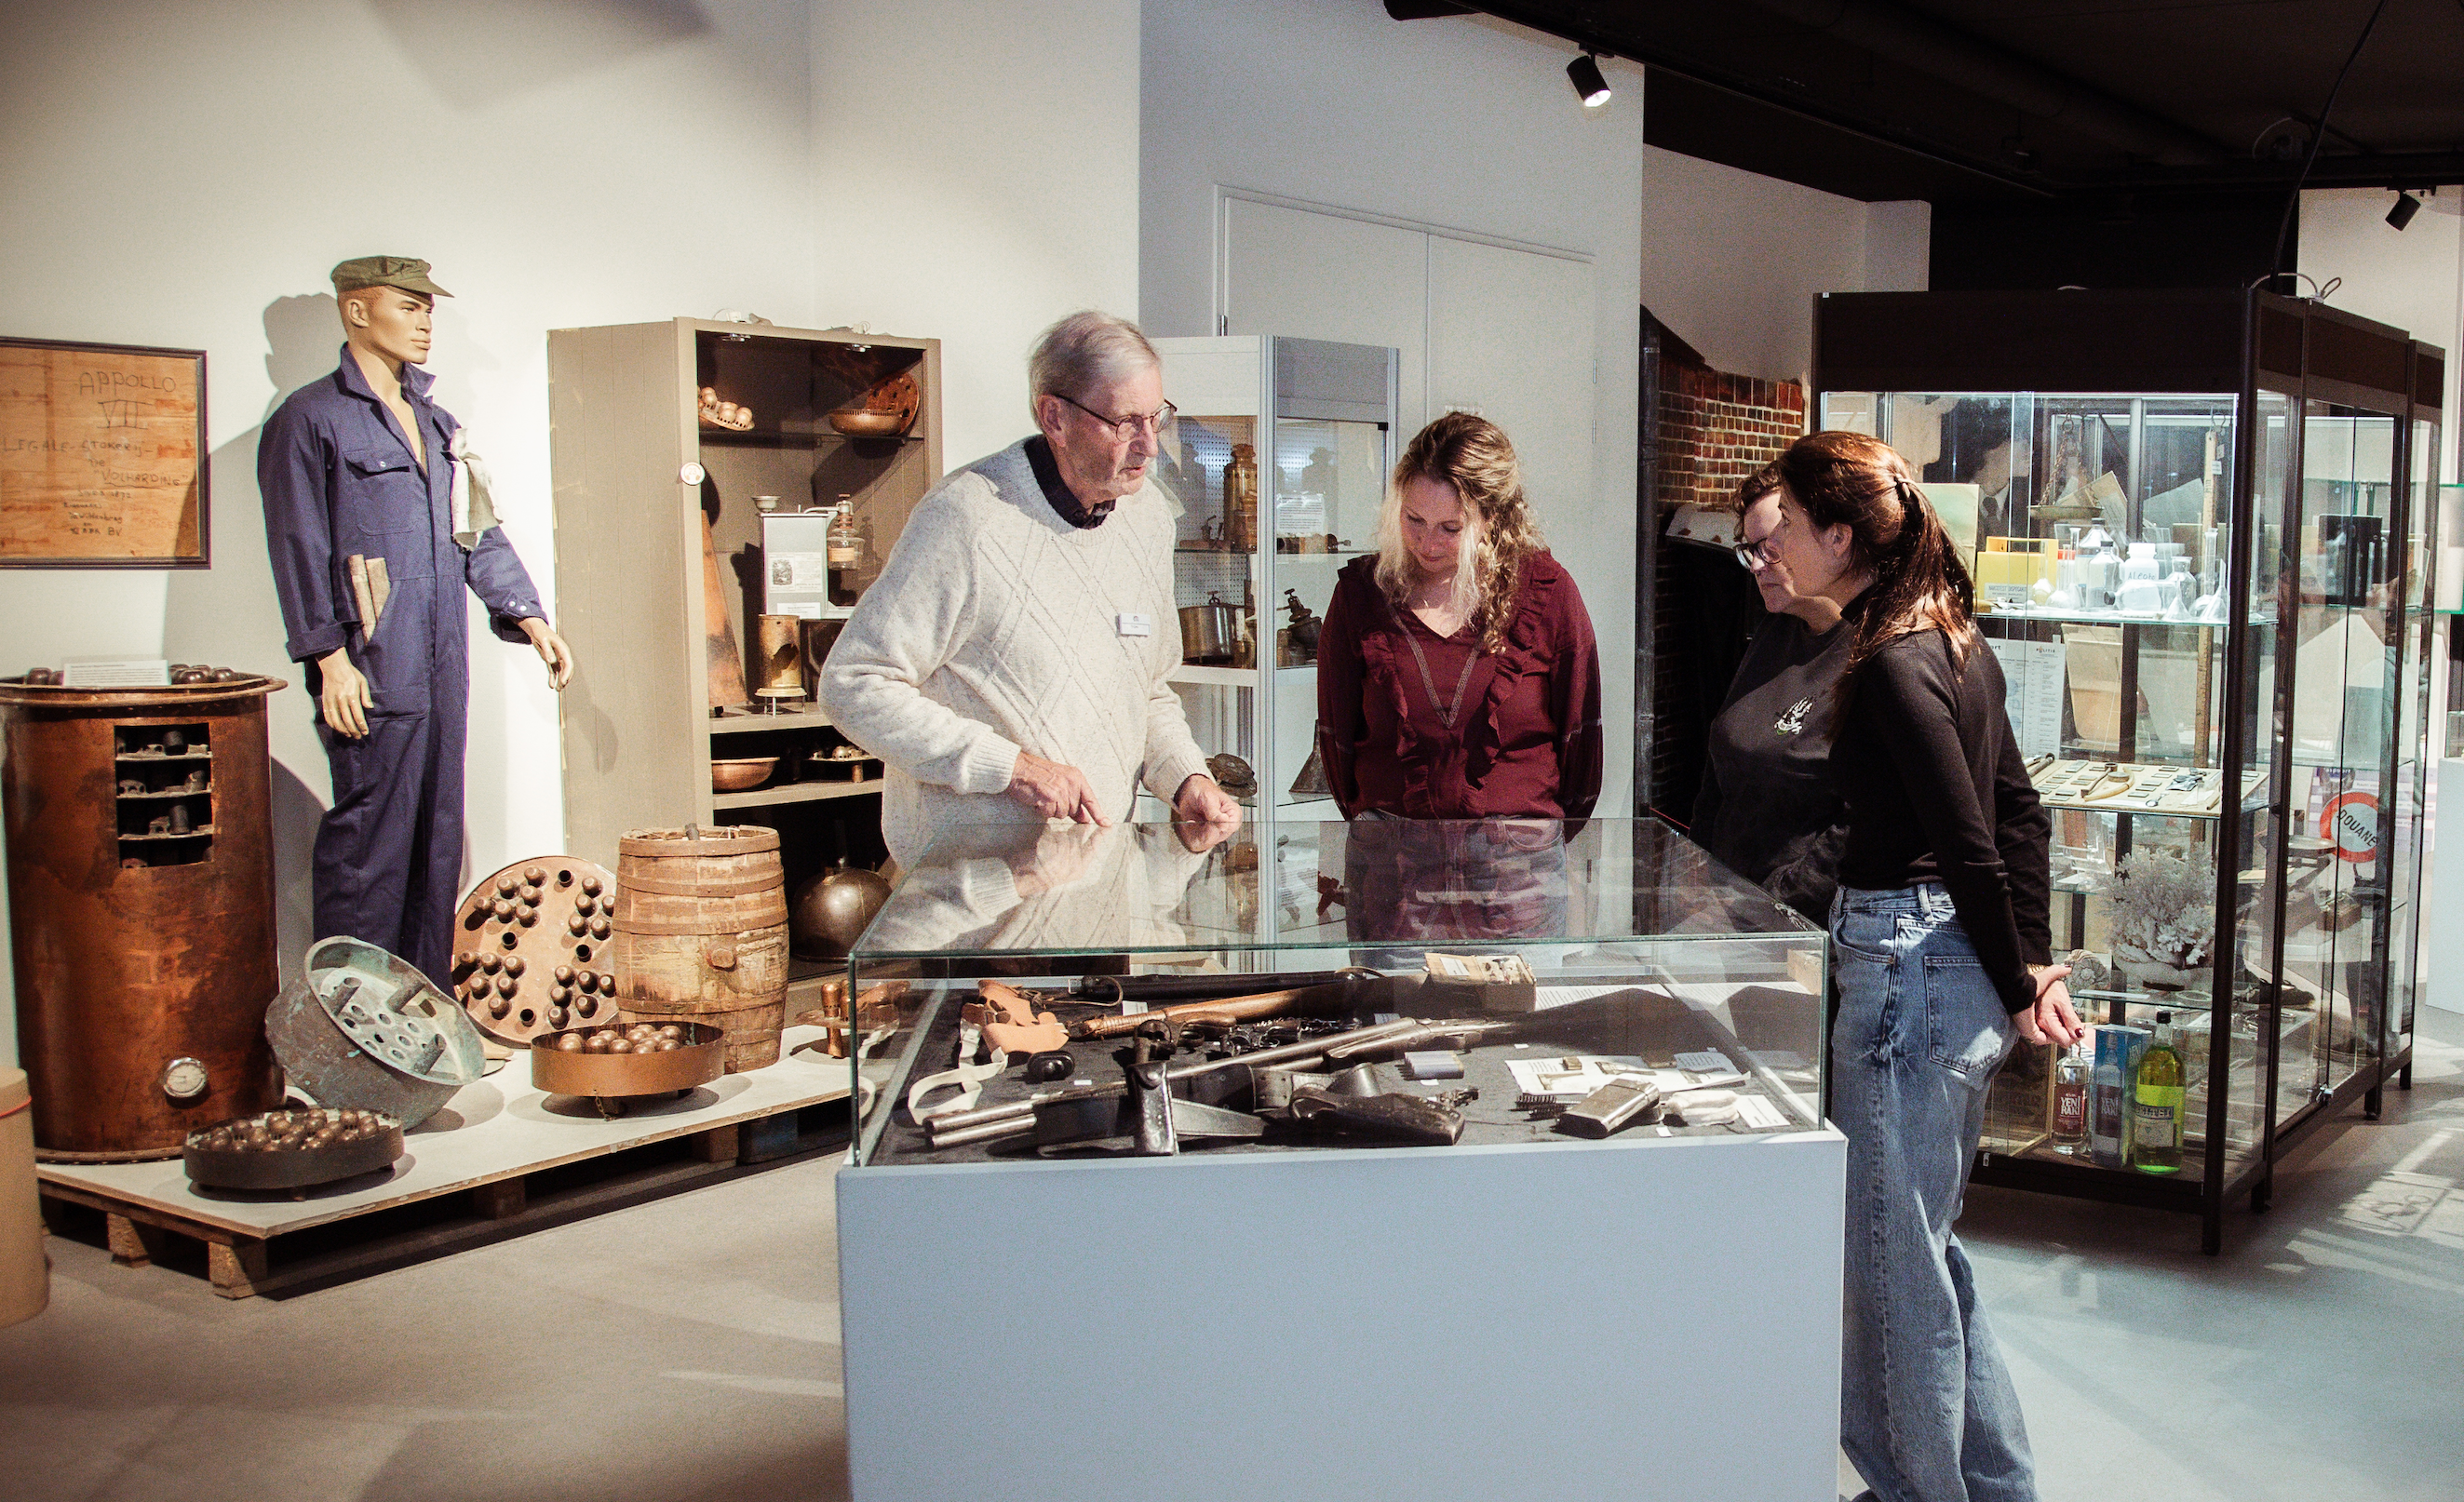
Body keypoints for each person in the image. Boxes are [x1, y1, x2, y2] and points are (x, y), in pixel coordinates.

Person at [1787, 430, 2084, 1502]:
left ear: (1837, 534)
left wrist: (2022, 982)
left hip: (1908, 970)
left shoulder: (1893, 660)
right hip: (1948, 975)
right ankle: (1990, 1485)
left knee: (1889, 1268)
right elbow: (2020, 812)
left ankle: (1918, 1491)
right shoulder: (1954, 638)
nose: (1771, 540)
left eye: (1785, 520)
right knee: (1924, 1251)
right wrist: (2031, 966)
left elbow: (1972, 840)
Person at [819, 311, 1239, 866]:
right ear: (1054, 417)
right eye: (1125, 423)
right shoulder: (965, 520)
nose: (1150, 446)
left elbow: (1147, 691)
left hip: (1097, 878)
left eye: (1157, 418)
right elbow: (854, 683)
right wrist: (1011, 768)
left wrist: (1186, 777)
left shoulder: (1148, 516)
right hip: (970, 893)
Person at [259, 256, 572, 988]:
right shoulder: (310, 420)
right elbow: (298, 545)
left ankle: (422, 1010)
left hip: (442, 655)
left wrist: (525, 616)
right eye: (410, 306)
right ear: (357, 312)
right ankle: (351, 1023)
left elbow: (476, 530)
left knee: (435, 838)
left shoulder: (436, 424)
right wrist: (326, 656)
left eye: (429, 308)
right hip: (371, 658)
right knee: (370, 840)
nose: (427, 321)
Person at [1313, 411, 1602, 824]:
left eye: (1451, 528)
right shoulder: (1360, 596)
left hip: (1517, 868)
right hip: (1392, 865)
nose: (1427, 543)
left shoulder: (1548, 593)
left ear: (1494, 521)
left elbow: (1582, 740)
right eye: (1414, 519)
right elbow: (1335, 741)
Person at [1690, 461, 1854, 921]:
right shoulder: (1773, 631)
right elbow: (1721, 758)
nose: (1758, 566)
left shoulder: (1871, 651)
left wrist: (1781, 896)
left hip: (1811, 925)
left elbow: (1861, 818)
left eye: (1772, 548)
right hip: (1733, 909)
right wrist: (1699, 871)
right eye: (1750, 551)